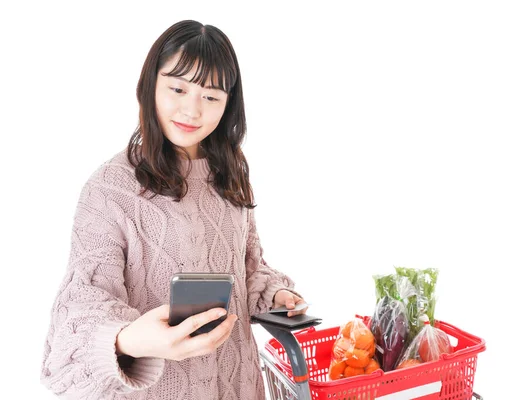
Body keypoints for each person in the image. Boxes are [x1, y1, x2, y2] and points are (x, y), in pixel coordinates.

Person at [40, 19, 307, 400]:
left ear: (229, 104)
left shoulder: (231, 172)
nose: (192, 110)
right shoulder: (109, 189)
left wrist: (274, 294)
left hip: (238, 387)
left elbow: (247, 267)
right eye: (178, 88)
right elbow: (79, 309)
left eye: (211, 97)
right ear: (150, 85)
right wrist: (130, 339)